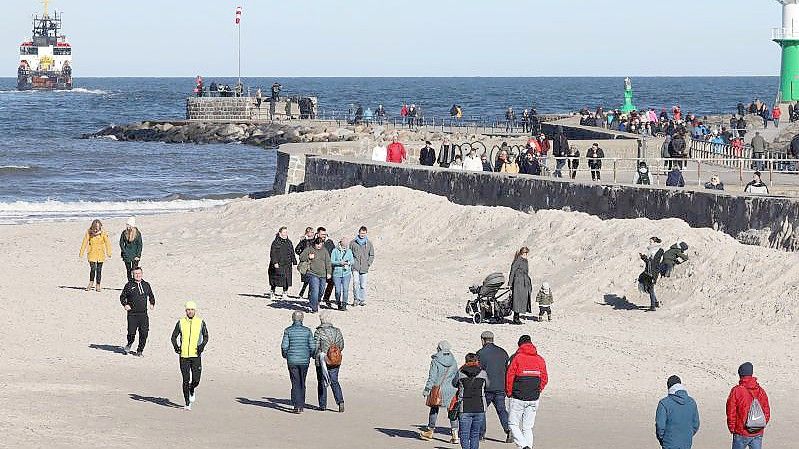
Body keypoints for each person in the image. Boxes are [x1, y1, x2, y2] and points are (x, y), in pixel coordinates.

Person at [506, 335, 548, 449]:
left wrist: (509, 392)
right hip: (534, 397)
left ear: (519, 345)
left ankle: (524, 446)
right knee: (527, 427)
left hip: (518, 397)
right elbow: (544, 378)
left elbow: (510, 376)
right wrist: (539, 389)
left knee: (513, 424)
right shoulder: (540, 359)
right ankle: (526, 446)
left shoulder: (517, 358)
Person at [171, 301, 208, 411]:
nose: (190, 311)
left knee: (196, 380)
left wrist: (202, 346)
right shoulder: (181, 322)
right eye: (188, 310)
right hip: (184, 356)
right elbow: (173, 337)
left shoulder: (201, 322)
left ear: (195, 311)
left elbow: (206, 337)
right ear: (185, 311)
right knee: (185, 380)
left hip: (196, 355)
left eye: (192, 310)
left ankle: (192, 388)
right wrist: (176, 347)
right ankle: (187, 403)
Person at [420, 341, 459, 444]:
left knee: (434, 409)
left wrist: (427, 389)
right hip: (451, 389)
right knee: (452, 411)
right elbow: (456, 375)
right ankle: (455, 435)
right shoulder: (453, 360)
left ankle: (430, 431)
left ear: (439, 348)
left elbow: (432, 377)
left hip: (438, 389)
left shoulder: (435, 360)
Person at [476, 331, 511, 443]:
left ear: (482, 340)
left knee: (481, 410)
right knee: (502, 410)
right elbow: (507, 369)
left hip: (486, 388)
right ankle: (509, 430)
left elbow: (478, 372)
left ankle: (481, 434)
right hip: (500, 386)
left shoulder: (480, 353)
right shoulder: (503, 352)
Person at [726, 362, 770, 449]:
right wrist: (760, 425)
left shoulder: (736, 390)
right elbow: (767, 411)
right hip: (757, 432)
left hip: (741, 431)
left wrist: (732, 428)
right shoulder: (761, 391)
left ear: (740, 375)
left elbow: (731, 411)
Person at [281, 311, 315, 414]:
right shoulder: (307, 331)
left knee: (295, 382)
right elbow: (312, 346)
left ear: (293, 319)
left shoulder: (288, 330)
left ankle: (297, 405)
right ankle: (300, 405)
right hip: (304, 360)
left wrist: (286, 355)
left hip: (292, 360)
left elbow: (284, 346)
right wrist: (310, 354)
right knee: (302, 382)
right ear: (302, 319)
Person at [453, 353, 488, 449]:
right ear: (476, 361)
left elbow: (454, 383)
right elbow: (488, 385)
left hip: (465, 407)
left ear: (466, 361)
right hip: (479, 407)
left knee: (464, 434)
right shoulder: (483, 373)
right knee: (475, 434)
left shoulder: (460, 373)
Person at [655, 375, 700, 449]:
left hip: (668, 443)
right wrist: (687, 435)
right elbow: (696, 424)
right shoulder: (692, 402)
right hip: (686, 443)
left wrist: (664, 439)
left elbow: (660, 426)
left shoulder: (664, 403)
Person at [119, 266, 155, 356]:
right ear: (133, 275)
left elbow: (151, 296)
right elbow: (122, 297)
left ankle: (140, 351)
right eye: (136, 274)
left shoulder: (146, 284)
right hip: (132, 314)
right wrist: (125, 304)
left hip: (143, 314)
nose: (138, 275)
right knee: (131, 333)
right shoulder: (129, 285)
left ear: (142, 274)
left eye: (139, 273)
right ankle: (129, 343)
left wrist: (152, 303)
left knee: (144, 333)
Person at [313, 311, 345, 412]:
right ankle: (340, 402)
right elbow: (341, 345)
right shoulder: (337, 331)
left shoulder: (319, 332)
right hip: (335, 360)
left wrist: (315, 356)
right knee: (334, 381)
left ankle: (322, 405)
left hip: (322, 360)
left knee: (322, 382)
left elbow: (316, 346)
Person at [299, 237, 332, 313]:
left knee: (321, 291)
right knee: (315, 290)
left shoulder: (324, 251)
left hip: (323, 274)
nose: (319, 246)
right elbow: (301, 257)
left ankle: (316, 302)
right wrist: (308, 257)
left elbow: (328, 262)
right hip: (312, 273)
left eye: (321, 244)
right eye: (318, 244)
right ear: (315, 243)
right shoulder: (309, 249)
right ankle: (314, 308)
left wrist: (329, 272)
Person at [79, 219, 111, 292]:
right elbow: (84, 242)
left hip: (101, 254)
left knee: (99, 270)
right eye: (95, 228)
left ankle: (98, 285)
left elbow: (107, 243)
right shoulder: (89, 233)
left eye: (98, 228)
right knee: (93, 269)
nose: (96, 230)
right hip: (92, 253)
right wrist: (81, 253)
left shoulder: (103, 233)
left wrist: (109, 252)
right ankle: (91, 283)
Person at [268, 226, 297, 300]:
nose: (285, 233)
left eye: (286, 232)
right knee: (275, 279)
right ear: (280, 233)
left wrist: (294, 261)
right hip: (278, 263)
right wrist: (275, 262)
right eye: (284, 232)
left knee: (287, 278)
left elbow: (292, 252)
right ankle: (272, 292)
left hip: (287, 263)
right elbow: (273, 253)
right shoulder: (276, 242)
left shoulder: (289, 242)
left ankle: (285, 293)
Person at [349, 226, 374, 307]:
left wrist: (368, 263)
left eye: (364, 233)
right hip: (355, 267)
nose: (362, 234)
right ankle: (356, 299)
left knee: (363, 285)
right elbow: (350, 254)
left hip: (364, 267)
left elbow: (371, 255)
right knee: (356, 283)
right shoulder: (353, 243)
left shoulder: (369, 243)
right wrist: (352, 263)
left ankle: (362, 299)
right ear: (358, 233)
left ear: (366, 233)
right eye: (361, 233)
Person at [639, 237, 663, 311]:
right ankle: (655, 302)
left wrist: (645, 258)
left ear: (655, 242)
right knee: (650, 288)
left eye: (651, 242)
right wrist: (643, 257)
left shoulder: (655, 251)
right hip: (650, 271)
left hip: (652, 272)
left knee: (651, 289)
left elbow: (653, 263)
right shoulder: (652, 251)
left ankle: (653, 307)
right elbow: (649, 262)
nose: (649, 243)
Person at [508, 247, 532, 325]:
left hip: (524, 282)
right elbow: (512, 271)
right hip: (518, 282)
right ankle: (516, 318)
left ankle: (517, 317)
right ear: (522, 253)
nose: (526, 255)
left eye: (527, 253)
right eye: (525, 253)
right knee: (517, 300)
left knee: (522, 299)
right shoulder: (518, 260)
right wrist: (510, 283)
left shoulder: (525, 260)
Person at [330, 238, 354, 311]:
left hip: (346, 273)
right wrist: (340, 263)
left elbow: (352, 261)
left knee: (345, 289)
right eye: (345, 242)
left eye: (347, 242)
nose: (346, 244)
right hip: (337, 273)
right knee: (337, 290)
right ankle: (338, 302)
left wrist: (348, 263)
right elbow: (332, 261)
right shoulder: (335, 251)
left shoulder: (349, 251)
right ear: (341, 242)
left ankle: (344, 305)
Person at [120, 217, 142, 283]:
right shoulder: (124, 233)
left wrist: (138, 255)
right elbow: (121, 243)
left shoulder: (137, 233)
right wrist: (124, 251)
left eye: (129, 225)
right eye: (127, 224)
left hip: (135, 254)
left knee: (134, 270)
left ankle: (135, 282)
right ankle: (130, 283)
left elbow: (140, 245)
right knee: (128, 270)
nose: (127, 226)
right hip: (126, 255)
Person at [295, 227, 315, 298]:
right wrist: (302, 254)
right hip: (305, 262)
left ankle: (307, 294)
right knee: (307, 279)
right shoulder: (303, 241)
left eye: (313, 232)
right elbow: (297, 249)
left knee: (311, 279)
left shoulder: (315, 240)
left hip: (313, 261)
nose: (312, 233)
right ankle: (302, 293)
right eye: (311, 232)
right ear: (307, 233)